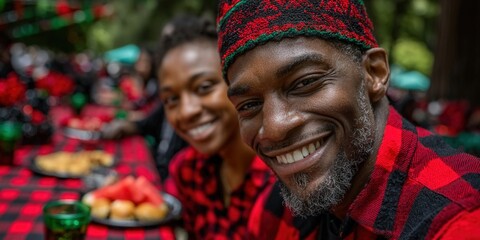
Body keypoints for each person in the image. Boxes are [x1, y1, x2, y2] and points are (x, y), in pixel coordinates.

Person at [217, 0, 480, 239]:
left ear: (374, 73)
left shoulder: (459, 222)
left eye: (305, 83)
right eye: (249, 105)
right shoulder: (273, 211)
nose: (274, 128)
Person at [156, 14, 278, 239]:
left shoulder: (284, 178)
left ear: (239, 84)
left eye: (204, 87)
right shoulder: (188, 171)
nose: (186, 111)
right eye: (171, 99)